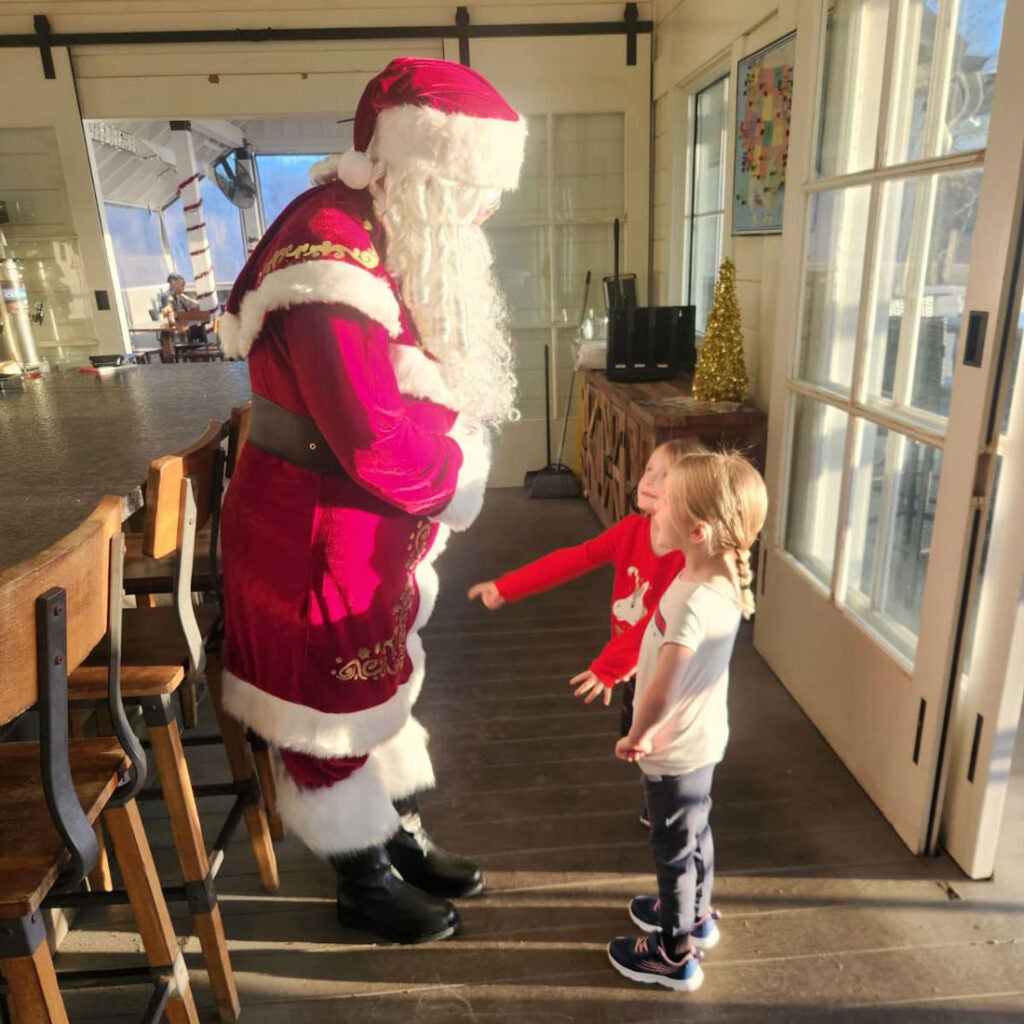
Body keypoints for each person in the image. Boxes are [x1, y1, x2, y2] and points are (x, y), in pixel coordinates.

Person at [217, 57, 526, 945]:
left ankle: (397, 835)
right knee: (325, 710)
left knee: (376, 690)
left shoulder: (383, 227)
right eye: (477, 186)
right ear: (421, 167)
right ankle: (359, 874)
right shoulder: (330, 257)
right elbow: (370, 434)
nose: (489, 209)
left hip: (360, 531)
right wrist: (460, 463)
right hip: (313, 533)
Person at [606, 448, 767, 992]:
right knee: (696, 832)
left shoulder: (692, 602)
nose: (655, 506)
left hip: (672, 748)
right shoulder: (720, 583)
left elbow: (660, 689)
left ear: (696, 530)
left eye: (665, 502)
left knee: (673, 848)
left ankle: (674, 952)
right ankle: (696, 913)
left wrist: (637, 733)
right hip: (703, 742)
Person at [468, 441, 692, 750]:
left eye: (665, 474)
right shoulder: (631, 530)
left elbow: (658, 623)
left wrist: (609, 667)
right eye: (649, 469)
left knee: (666, 755)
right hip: (635, 668)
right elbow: (575, 558)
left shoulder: (689, 558)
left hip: (673, 676)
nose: (649, 479)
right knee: (639, 748)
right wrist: (509, 586)